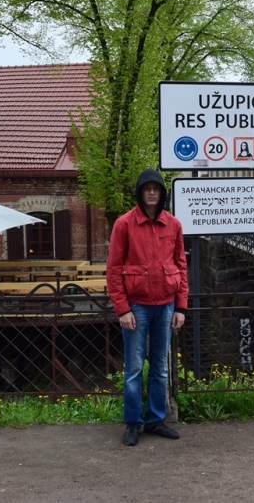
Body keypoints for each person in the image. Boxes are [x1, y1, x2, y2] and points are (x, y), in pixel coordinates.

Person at [106, 168, 189, 446]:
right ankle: (132, 422)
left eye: (156, 188)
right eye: (147, 188)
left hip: (165, 305)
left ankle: (155, 419)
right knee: (133, 369)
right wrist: (122, 309)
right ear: (140, 192)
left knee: (160, 368)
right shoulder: (124, 224)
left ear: (162, 193)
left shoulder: (173, 225)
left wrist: (181, 306)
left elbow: (181, 265)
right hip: (137, 307)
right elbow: (114, 269)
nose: (152, 192)